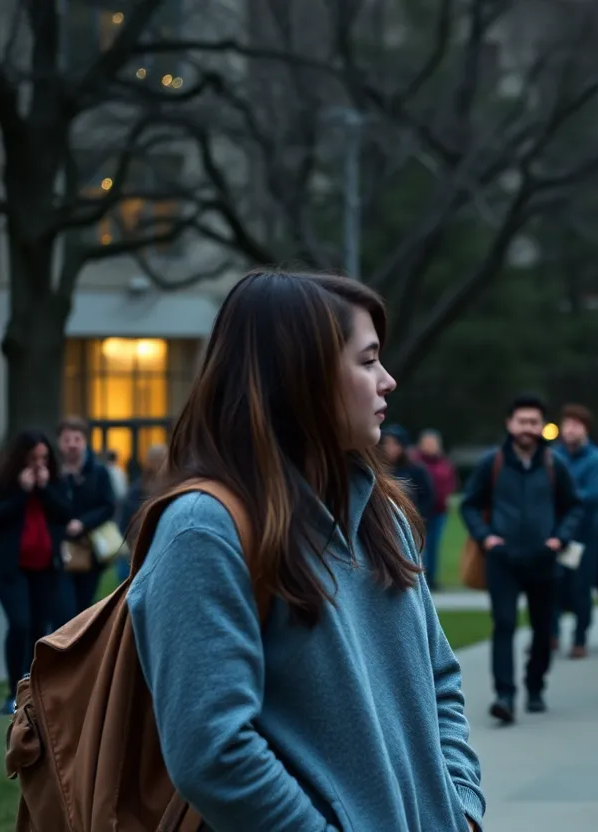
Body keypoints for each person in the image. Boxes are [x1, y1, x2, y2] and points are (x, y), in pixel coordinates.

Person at [126, 271, 485, 830]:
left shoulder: (383, 513)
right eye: (367, 362)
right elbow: (213, 752)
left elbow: (439, 680)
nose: (388, 380)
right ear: (303, 378)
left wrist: (460, 806)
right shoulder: (204, 530)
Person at [460, 393, 580, 724]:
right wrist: (485, 537)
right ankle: (505, 695)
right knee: (505, 625)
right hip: (503, 560)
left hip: (544, 559)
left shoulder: (555, 464)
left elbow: (573, 505)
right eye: (522, 421)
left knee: (544, 630)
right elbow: (469, 504)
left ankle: (535, 686)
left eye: (534, 422)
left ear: (542, 426)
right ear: (509, 424)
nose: (527, 428)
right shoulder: (492, 462)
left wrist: (561, 536)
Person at [0, 430, 71, 714]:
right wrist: (21, 492)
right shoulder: (7, 483)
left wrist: (42, 489)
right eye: (33, 458)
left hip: (45, 568)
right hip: (11, 569)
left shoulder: (51, 483)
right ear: (20, 459)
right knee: (20, 623)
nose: (39, 464)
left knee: (40, 628)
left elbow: (65, 512)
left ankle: (32, 689)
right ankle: (13, 689)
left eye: (43, 458)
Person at [551, 404, 598, 658]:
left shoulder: (596, 459)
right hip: (557, 530)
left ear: (585, 429)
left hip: (584, 534)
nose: (571, 430)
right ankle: (550, 635)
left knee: (581, 587)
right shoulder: (554, 455)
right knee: (552, 584)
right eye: (567, 424)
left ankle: (580, 638)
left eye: (576, 425)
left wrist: (565, 496)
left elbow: (592, 494)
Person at [57, 417, 116, 617]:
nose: (72, 444)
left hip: (90, 548)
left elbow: (108, 506)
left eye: (77, 439)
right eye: (67, 439)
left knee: (84, 607)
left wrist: (83, 522)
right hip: (59, 550)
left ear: (85, 441)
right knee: (64, 610)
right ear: (59, 443)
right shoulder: (55, 473)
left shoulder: (98, 472)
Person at [116, 443, 169, 583]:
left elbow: (123, 522)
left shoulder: (138, 488)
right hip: (144, 550)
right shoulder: (140, 489)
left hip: (144, 550)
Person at [416, 429, 459, 590]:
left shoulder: (444, 464)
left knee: (434, 546)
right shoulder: (416, 463)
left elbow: (451, 483)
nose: (430, 446)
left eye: (433, 443)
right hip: (421, 512)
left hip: (439, 512)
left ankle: (432, 579)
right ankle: (422, 579)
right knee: (422, 547)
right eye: (427, 443)